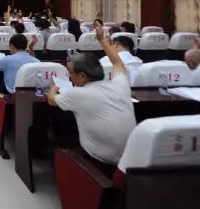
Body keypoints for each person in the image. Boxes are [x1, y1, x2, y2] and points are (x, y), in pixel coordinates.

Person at [47, 21, 136, 177]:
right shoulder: (120, 84)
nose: (69, 76)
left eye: (70, 72)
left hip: (101, 162)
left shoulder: (78, 94)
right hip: (130, 160)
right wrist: (102, 40)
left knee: (51, 149)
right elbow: (118, 63)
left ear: (82, 76)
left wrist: (54, 88)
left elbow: (51, 100)